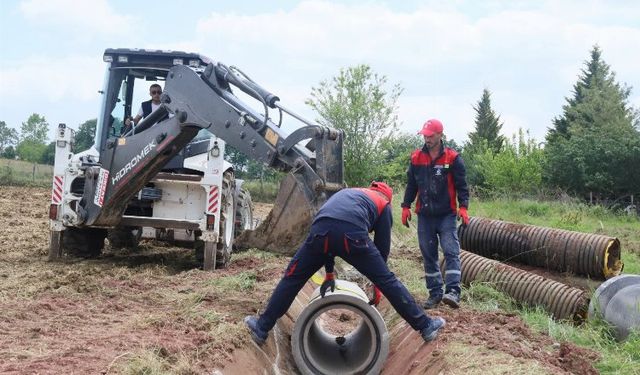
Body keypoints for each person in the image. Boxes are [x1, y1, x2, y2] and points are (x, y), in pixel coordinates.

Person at [244, 182, 446, 345]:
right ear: (388, 197)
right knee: (389, 280)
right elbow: (382, 249)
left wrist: (329, 273)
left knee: (292, 278)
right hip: (352, 236)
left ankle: (261, 328)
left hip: (319, 231)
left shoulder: (350, 193)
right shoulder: (383, 204)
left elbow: (331, 226)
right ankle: (426, 327)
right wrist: (378, 282)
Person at [401, 119, 469, 310]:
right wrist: (406, 206)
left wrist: (463, 207)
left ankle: (453, 291)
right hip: (425, 216)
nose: (427, 139)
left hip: (446, 214)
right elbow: (412, 184)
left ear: (440, 135)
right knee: (428, 254)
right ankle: (435, 293)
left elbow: (462, 185)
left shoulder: (453, 158)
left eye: (430, 135)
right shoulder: (416, 158)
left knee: (450, 250)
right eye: (425, 135)